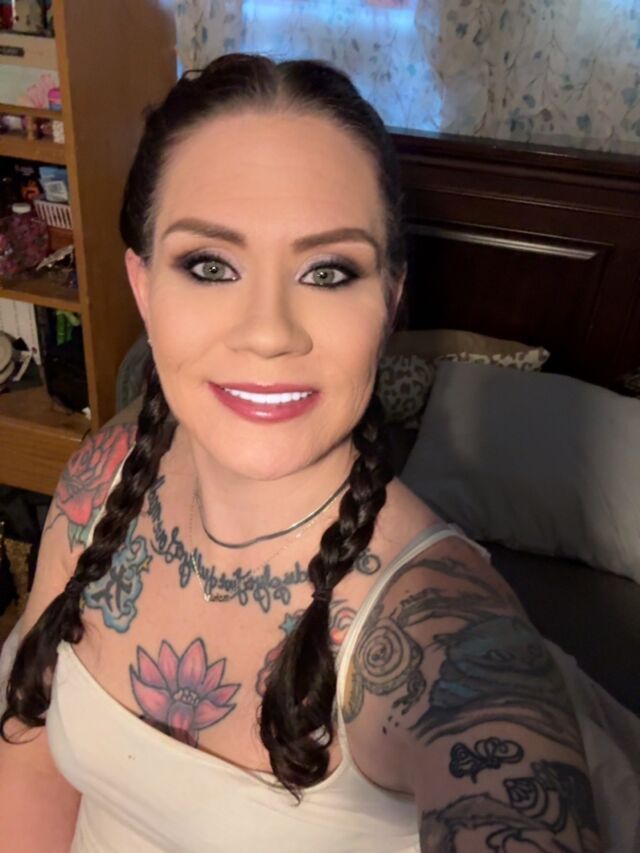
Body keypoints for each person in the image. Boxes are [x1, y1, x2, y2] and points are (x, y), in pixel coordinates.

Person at [0, 54, 602, 852]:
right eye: (210, 265)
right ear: (143, 288)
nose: (269, 333)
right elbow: (33, 762)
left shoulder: (450, 642)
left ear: (388, 302)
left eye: (327, 272)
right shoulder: (102, 476)